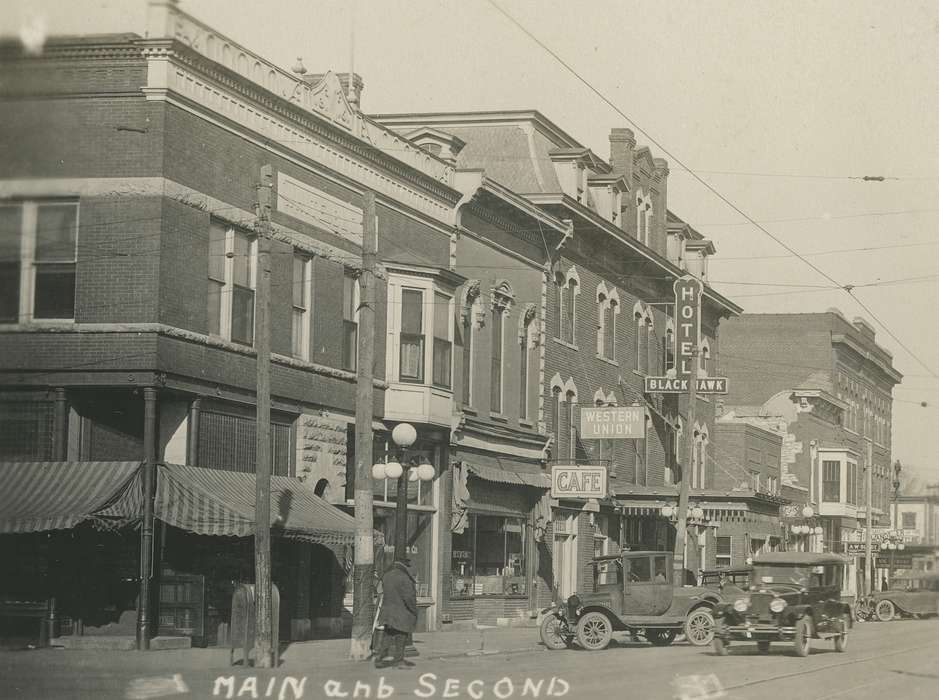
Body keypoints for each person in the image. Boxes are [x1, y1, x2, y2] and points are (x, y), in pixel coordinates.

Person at [374, 558, 418, 669]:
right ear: (405, 566)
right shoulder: (404, 578)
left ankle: (379, 658)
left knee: (388, 634)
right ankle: (399, 660)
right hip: (401, 612)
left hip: (387, 611)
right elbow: (409, 597)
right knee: (401, 635)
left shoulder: (387, 575)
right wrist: (414, 610)